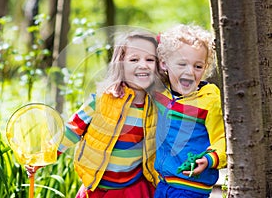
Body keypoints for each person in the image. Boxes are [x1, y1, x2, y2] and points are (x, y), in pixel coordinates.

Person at [27, 29, 160, 198]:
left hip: (132, 187)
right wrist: (44, 156)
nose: (143, 65)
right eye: (134, 59)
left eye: (150, 59)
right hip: (97, 187)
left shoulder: (155, 106)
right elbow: (72, 130)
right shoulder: (101, 100)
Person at [153, 24, 227, 198]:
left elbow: (223, 138)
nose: (190, 72)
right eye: (181, 64)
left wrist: (209, 159)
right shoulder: (161, 94)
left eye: (198, 66)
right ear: (164, 63)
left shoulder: (208, 101)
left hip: (191, 186)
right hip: (163, 183)